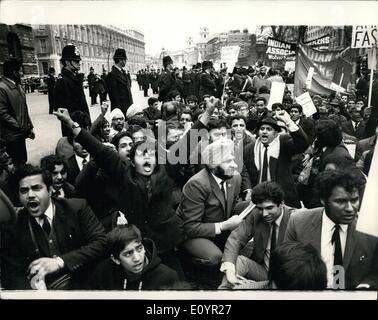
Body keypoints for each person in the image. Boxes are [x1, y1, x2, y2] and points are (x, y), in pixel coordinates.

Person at [1, 164, 106, 289]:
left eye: (36, 188)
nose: (30, 195)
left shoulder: (77, 208)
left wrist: (60, 262)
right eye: (24, 190)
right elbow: (12, 274)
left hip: (85, 286)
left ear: (50, 190)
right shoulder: (14, 225)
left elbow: (101, 242)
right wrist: (35, 293)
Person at [284, 169, 378, 289]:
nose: (350, 208)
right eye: (341, 201)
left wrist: (365, 287)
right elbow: (286, 268)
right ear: (323, 200)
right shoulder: (298, 223)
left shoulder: (370, 228)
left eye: (354, 200)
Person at [177, 138, 245, 270]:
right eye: (227, 161)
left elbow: (232, 205)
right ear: (213, 165)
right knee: (214, 258)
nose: (234, 165)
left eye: (233, 159)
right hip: (192, 233)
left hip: (217, 225)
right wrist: (224, 226)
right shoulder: (197, 184)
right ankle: (185, 261)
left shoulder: (235, 177)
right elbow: (190, 227)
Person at [219, 181, 296, 289]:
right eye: (260, 208)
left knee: (238, 289)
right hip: (264, 271)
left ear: (282, 204)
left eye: (269, 208)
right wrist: (230, 273)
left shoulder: (296, 219)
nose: (264, 214)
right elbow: (236, 238)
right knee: (239, 262)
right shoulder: (256, 214)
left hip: (286, 280)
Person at [243, 111, 309, 208]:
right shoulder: (249, 148)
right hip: (259, 198)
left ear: (275, 133)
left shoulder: (283, 143)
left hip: (283, 198)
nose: (264, 131)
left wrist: (288, 121)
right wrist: (248, 189)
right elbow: (245, 172)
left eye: (269, 129)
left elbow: (303, 143)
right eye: (262, 129)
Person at [91, 224, 179, 290]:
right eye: (128, 254)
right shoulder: (103, 273)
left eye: (139, 249)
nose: (137, 258)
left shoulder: (167, 276)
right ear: (115, 259)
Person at [0, 58, 35, 165]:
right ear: (14, 72)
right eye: (20, 71)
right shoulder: (2, 88)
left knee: (22, 161)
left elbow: (24, 109)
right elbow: (2, 113)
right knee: (16, 165)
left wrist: (30, 127)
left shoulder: (17, 86)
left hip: (19, 133)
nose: (21, 73)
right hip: (11, 136)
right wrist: (20, 126)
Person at [53, 44, 90, 137]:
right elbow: (62, 110)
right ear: (67, 62)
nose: (79, 63)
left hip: (81, 124)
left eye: (79, 61)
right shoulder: (62, 81)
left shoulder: (74, 77)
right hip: (72, 127)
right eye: (76, 61)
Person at [106, 48, 133, 116]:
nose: (125, 62)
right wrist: (119, 114)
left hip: (128, 109)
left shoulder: (123, 72)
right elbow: (114, 98)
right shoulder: (112, 75)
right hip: (120, 112)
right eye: (125, 60)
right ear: (120, 60)